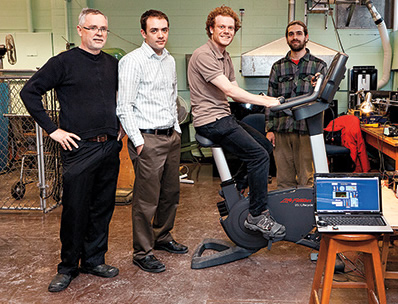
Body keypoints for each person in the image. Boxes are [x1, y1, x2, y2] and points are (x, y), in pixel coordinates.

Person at [20, 8, 122, 292]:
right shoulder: (62, 62)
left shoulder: (111, 64)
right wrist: (52, 129)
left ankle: (94, 260)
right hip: (79, 149)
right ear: (80, 30)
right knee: (75, 211)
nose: (99, 33)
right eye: (93, 28)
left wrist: (119, 127)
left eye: (103, 28)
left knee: (102, 208)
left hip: (109, 145)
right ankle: (67, 267)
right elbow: (29, 92)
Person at [188, 5, 286, 241]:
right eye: (221, 27)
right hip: (210, 120)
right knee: (258, 156)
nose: (226, 31)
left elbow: (234, 89)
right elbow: (231, 91)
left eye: (231, 28)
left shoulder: (225, 56)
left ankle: (235, 187)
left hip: (223, 116)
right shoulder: (204, 54)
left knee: (265, 145)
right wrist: (268, 102)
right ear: (211, 29)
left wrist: (262, 99)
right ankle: (257, 215)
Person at [117, 9, 188, 274]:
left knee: (170, 193)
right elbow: (124, 106)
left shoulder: (168, 60)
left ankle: (162, 237)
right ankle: (142, 251)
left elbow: (172, 97)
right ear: (143, 33)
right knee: (147, 200)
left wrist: (177, 129)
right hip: (147, 139)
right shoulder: (132, 61)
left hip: (170, 136)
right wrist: (137, 142)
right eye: (154, 30)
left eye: (164, 29)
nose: (160, 35)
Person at [266, 20, 327, 189]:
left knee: (307, 179)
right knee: (284, 180)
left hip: (307, 130)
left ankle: (306, 214)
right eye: (291, 34)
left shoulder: (319, 66)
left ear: (306, 37)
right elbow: (270, 98)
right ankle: (286, 213)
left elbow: (324, 99)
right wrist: (269, 129)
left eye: (299, 33)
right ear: (286, 38)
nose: (295, 37)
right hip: (281, 130)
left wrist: (318, 88)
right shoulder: (278, 67)